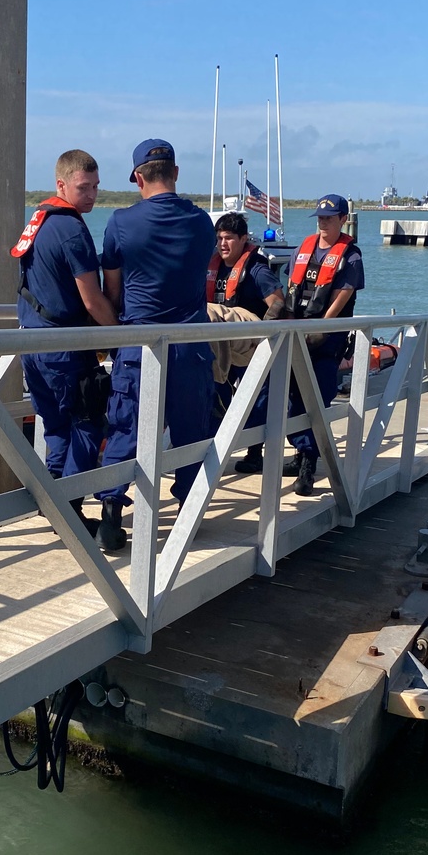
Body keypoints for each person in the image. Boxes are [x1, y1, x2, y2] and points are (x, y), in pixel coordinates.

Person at [94, 140, 216, 552]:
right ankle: (187, 511)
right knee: (191, 430)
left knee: (127, 428)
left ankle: (111, 515)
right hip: (191, 344)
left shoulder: (121, 222)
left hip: (139, 345)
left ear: (137, 177)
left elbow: (112, 288)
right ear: (176, 173)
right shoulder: (202, 223)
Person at [12, 149, 117, 534]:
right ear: (62, 184)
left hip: (30, 344)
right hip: (64, 348)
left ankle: (52, 504)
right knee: (89, 424)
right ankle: (69, 508)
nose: (92, 195)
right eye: (83, 187)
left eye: (95, 187)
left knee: (55, 428)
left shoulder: (37, 222)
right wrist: (121, 335)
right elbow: (92, 299)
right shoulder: (72, 229)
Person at [235, 193, 364, 496]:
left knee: (314, 399)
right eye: (320, 218)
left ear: (343, 219)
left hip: (324, 339)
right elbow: (290, 290)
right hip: (295, 333)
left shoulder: (351, 256)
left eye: (330, 218)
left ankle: (308, 464)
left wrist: (320, 328)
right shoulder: (302, 250)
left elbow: (341, 297)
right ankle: (282, 452)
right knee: (285, 396)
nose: (323, 223)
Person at [206, 213, 285, 423]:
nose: (223, 244)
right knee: (215, 397)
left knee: (256, 401)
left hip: (248, 346)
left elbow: (278, 304)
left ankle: (255, 451)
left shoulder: (256, 271)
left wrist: (264, 341)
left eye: (229, 238)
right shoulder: (212, 267)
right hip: (221, 345)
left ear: (243, 239)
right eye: (220, 238)